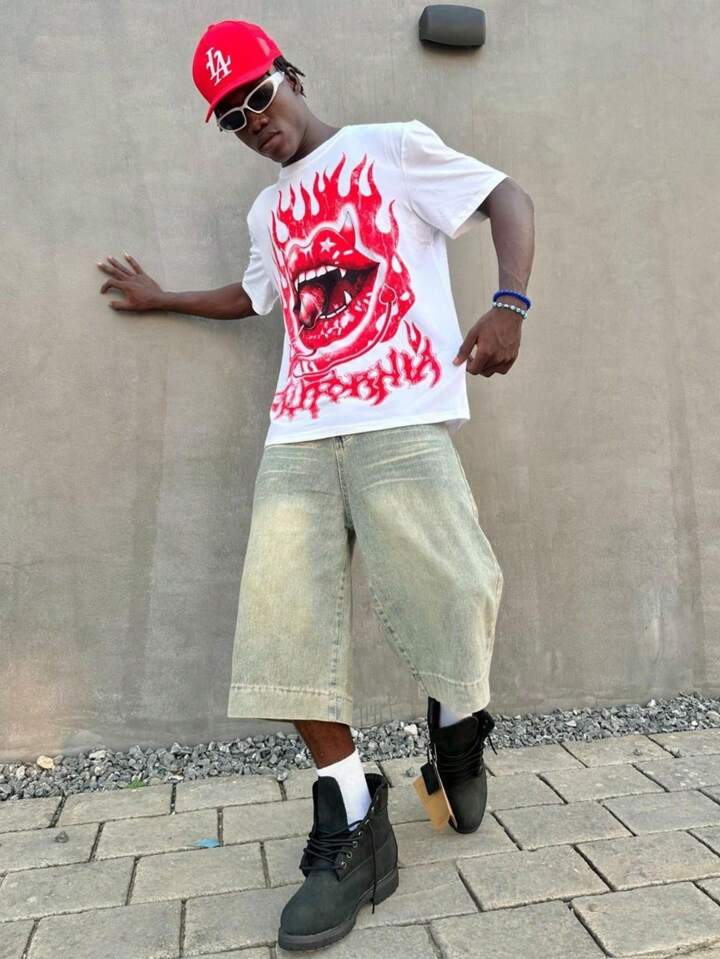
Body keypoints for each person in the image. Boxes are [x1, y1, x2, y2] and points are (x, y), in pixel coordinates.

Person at [97, 19, 535, 952]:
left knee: (460, 591)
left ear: (288, 75)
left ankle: (457, 721)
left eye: (257, 97)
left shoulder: (392, 148)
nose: (253, 122)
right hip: (299, 430)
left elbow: (507, 197)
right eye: (231, 117)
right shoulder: (267, 214)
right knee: (284, 622)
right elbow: (254, 296)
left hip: (400, 417)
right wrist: (164, 296)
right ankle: (352, 818)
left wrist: (509, 303)